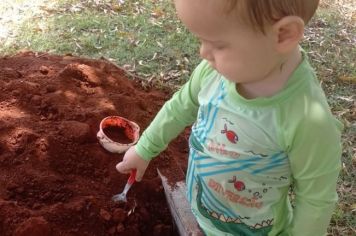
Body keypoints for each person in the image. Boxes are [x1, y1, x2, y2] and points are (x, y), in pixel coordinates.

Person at [116, 0, 343, 235]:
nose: (203, 53)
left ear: (283, 35)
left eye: (218, 44)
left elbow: (316, 201)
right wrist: (145, 149)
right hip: (203, 211)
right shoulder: (212, 73)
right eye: (201, 40)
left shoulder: (307, 120)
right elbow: (179, 107)